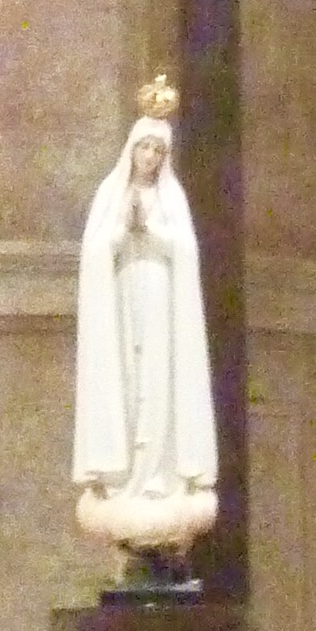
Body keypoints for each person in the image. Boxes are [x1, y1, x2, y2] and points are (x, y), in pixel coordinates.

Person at [70, 82, 217, 572]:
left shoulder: (172, 200)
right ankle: (127, 479)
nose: (150, 157)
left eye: (158, 150)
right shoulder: (110, 195)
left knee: (158, 389)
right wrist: (121, 231)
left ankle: (157, 478)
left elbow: (186, 251)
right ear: (130, 150)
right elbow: (95, 251)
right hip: (122, 301)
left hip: (160, 302)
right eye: (144, 148)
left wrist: (151, 231)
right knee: (127, 388)